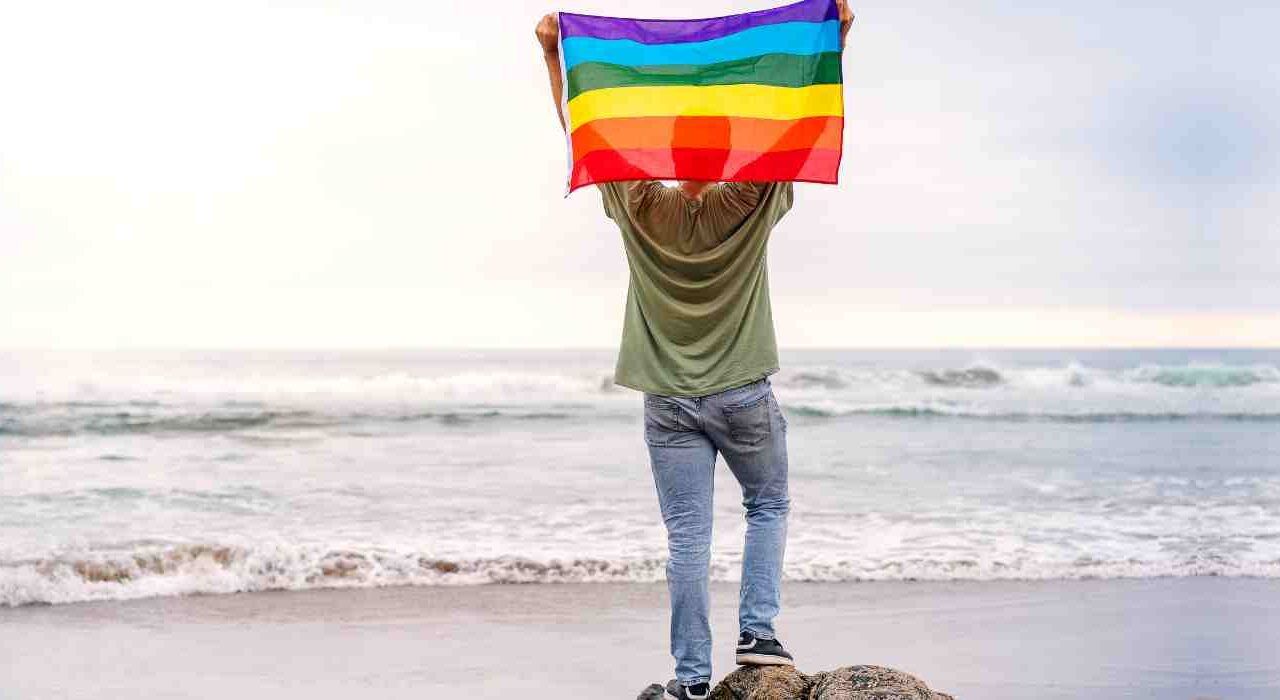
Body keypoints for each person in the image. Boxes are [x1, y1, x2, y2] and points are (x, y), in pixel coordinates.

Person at [536, 5, 853, 698]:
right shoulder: (753, 200)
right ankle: (758, 635)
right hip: (743, 391)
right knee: (768, 505)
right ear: (733, 151)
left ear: (668, 153)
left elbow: (583, 138)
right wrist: (838, 35)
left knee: (687, 540)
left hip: (667, 401)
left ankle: (689, 680)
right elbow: (800, 122)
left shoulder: (637, 205)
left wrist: (552, 57)